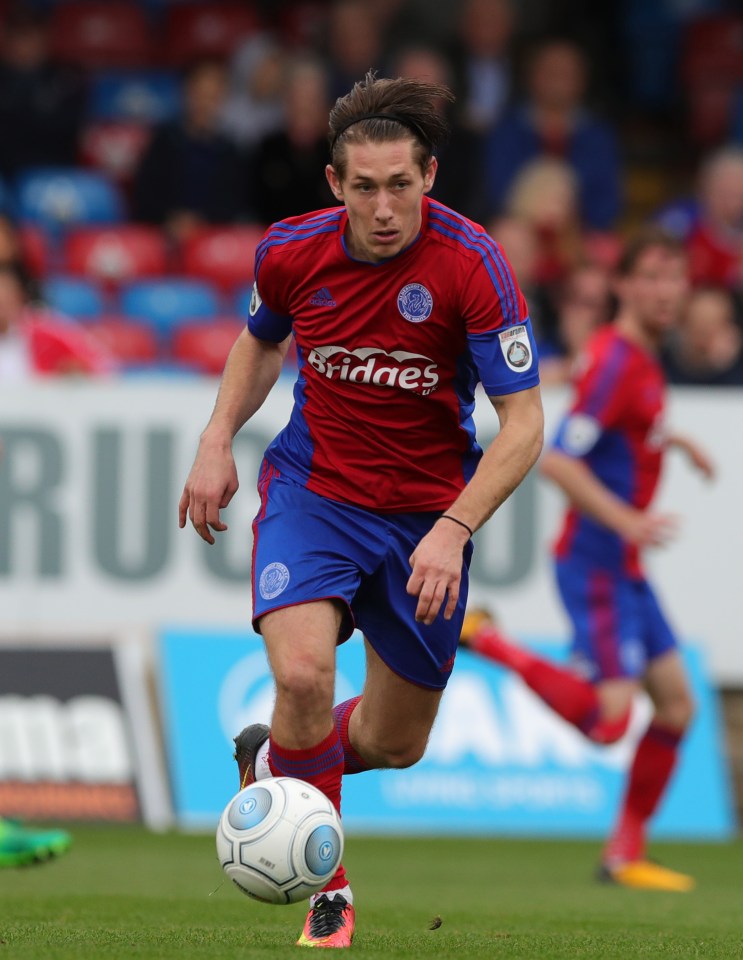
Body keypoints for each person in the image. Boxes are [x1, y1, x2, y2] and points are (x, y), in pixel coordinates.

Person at [179, 71, 543, 947]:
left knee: (392, 741)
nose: (385, 207)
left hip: (424, 516)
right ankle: (328, 891)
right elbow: (260, 342)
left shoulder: (473, 265)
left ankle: (277, 757)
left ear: (429, 178)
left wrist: (454, 531)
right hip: (317, 492)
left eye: (402, 186)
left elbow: (524, 424)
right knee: (303, 675)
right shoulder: (293, 250)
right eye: (365, 188)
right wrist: (218, 435)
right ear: (336, 185)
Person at [461, 227, 714, 892]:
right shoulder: (614, 360)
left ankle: (623, 853)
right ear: (623, 286)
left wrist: (675, 440)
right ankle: (487, 639)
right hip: (596, 564)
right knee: (609, 723)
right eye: (652, 277)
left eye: (674, 276)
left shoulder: (637, 356)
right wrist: (629, 519)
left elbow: (618, 429)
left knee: (676, 707)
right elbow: (562, 460)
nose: (666, 290)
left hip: (624, 567)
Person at [483, 37, 622, 231]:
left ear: (582, 80)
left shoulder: (598, 136)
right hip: (519, 233)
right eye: (551, 72)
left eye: (566, 74)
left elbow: (606, 201)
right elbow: (497, 192)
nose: (558, 81)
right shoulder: (506, 130)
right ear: (531, 76)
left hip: (581, 236)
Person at [0, 261, 112, 379]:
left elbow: (101, 364)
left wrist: (78, 372)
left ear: (20, 298)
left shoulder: (46, 328)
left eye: (5, 301)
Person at [662, 286, 743, 387]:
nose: (704, 330)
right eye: (698, 321)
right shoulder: (663, 367)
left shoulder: (738, 374)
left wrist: (724, 365)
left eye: (711, 322)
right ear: (684, 324)